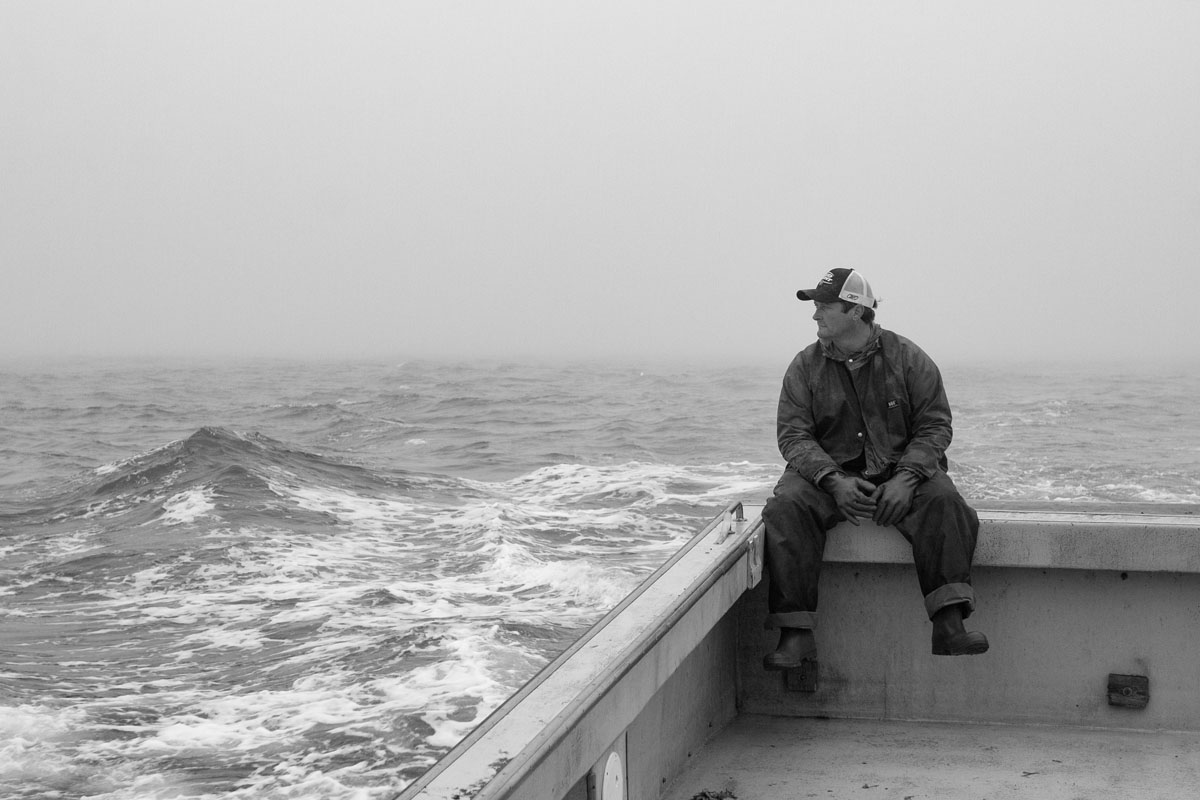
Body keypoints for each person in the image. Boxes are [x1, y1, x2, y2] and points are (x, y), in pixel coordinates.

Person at [762, 268, 988, 670]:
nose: (815, 315)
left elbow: (935, 425)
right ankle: (795, 635)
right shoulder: (804, 366)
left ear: (854, 311)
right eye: (815, 306)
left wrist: (906, 479)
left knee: (943, 500)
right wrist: (832, 481)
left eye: (824, 306)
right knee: (787, 507)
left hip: (899, 471)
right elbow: (793, 436)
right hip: (829, 474)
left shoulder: (908, 358)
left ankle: (950, 623)